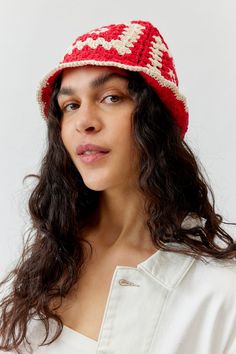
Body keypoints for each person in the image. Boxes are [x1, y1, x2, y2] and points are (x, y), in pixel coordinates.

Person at [0, 19, 236, 354]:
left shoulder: (220, 291)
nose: (84, 121)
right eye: (71, 105)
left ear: (155, 118)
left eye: (111, 98)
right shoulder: (49, 254)